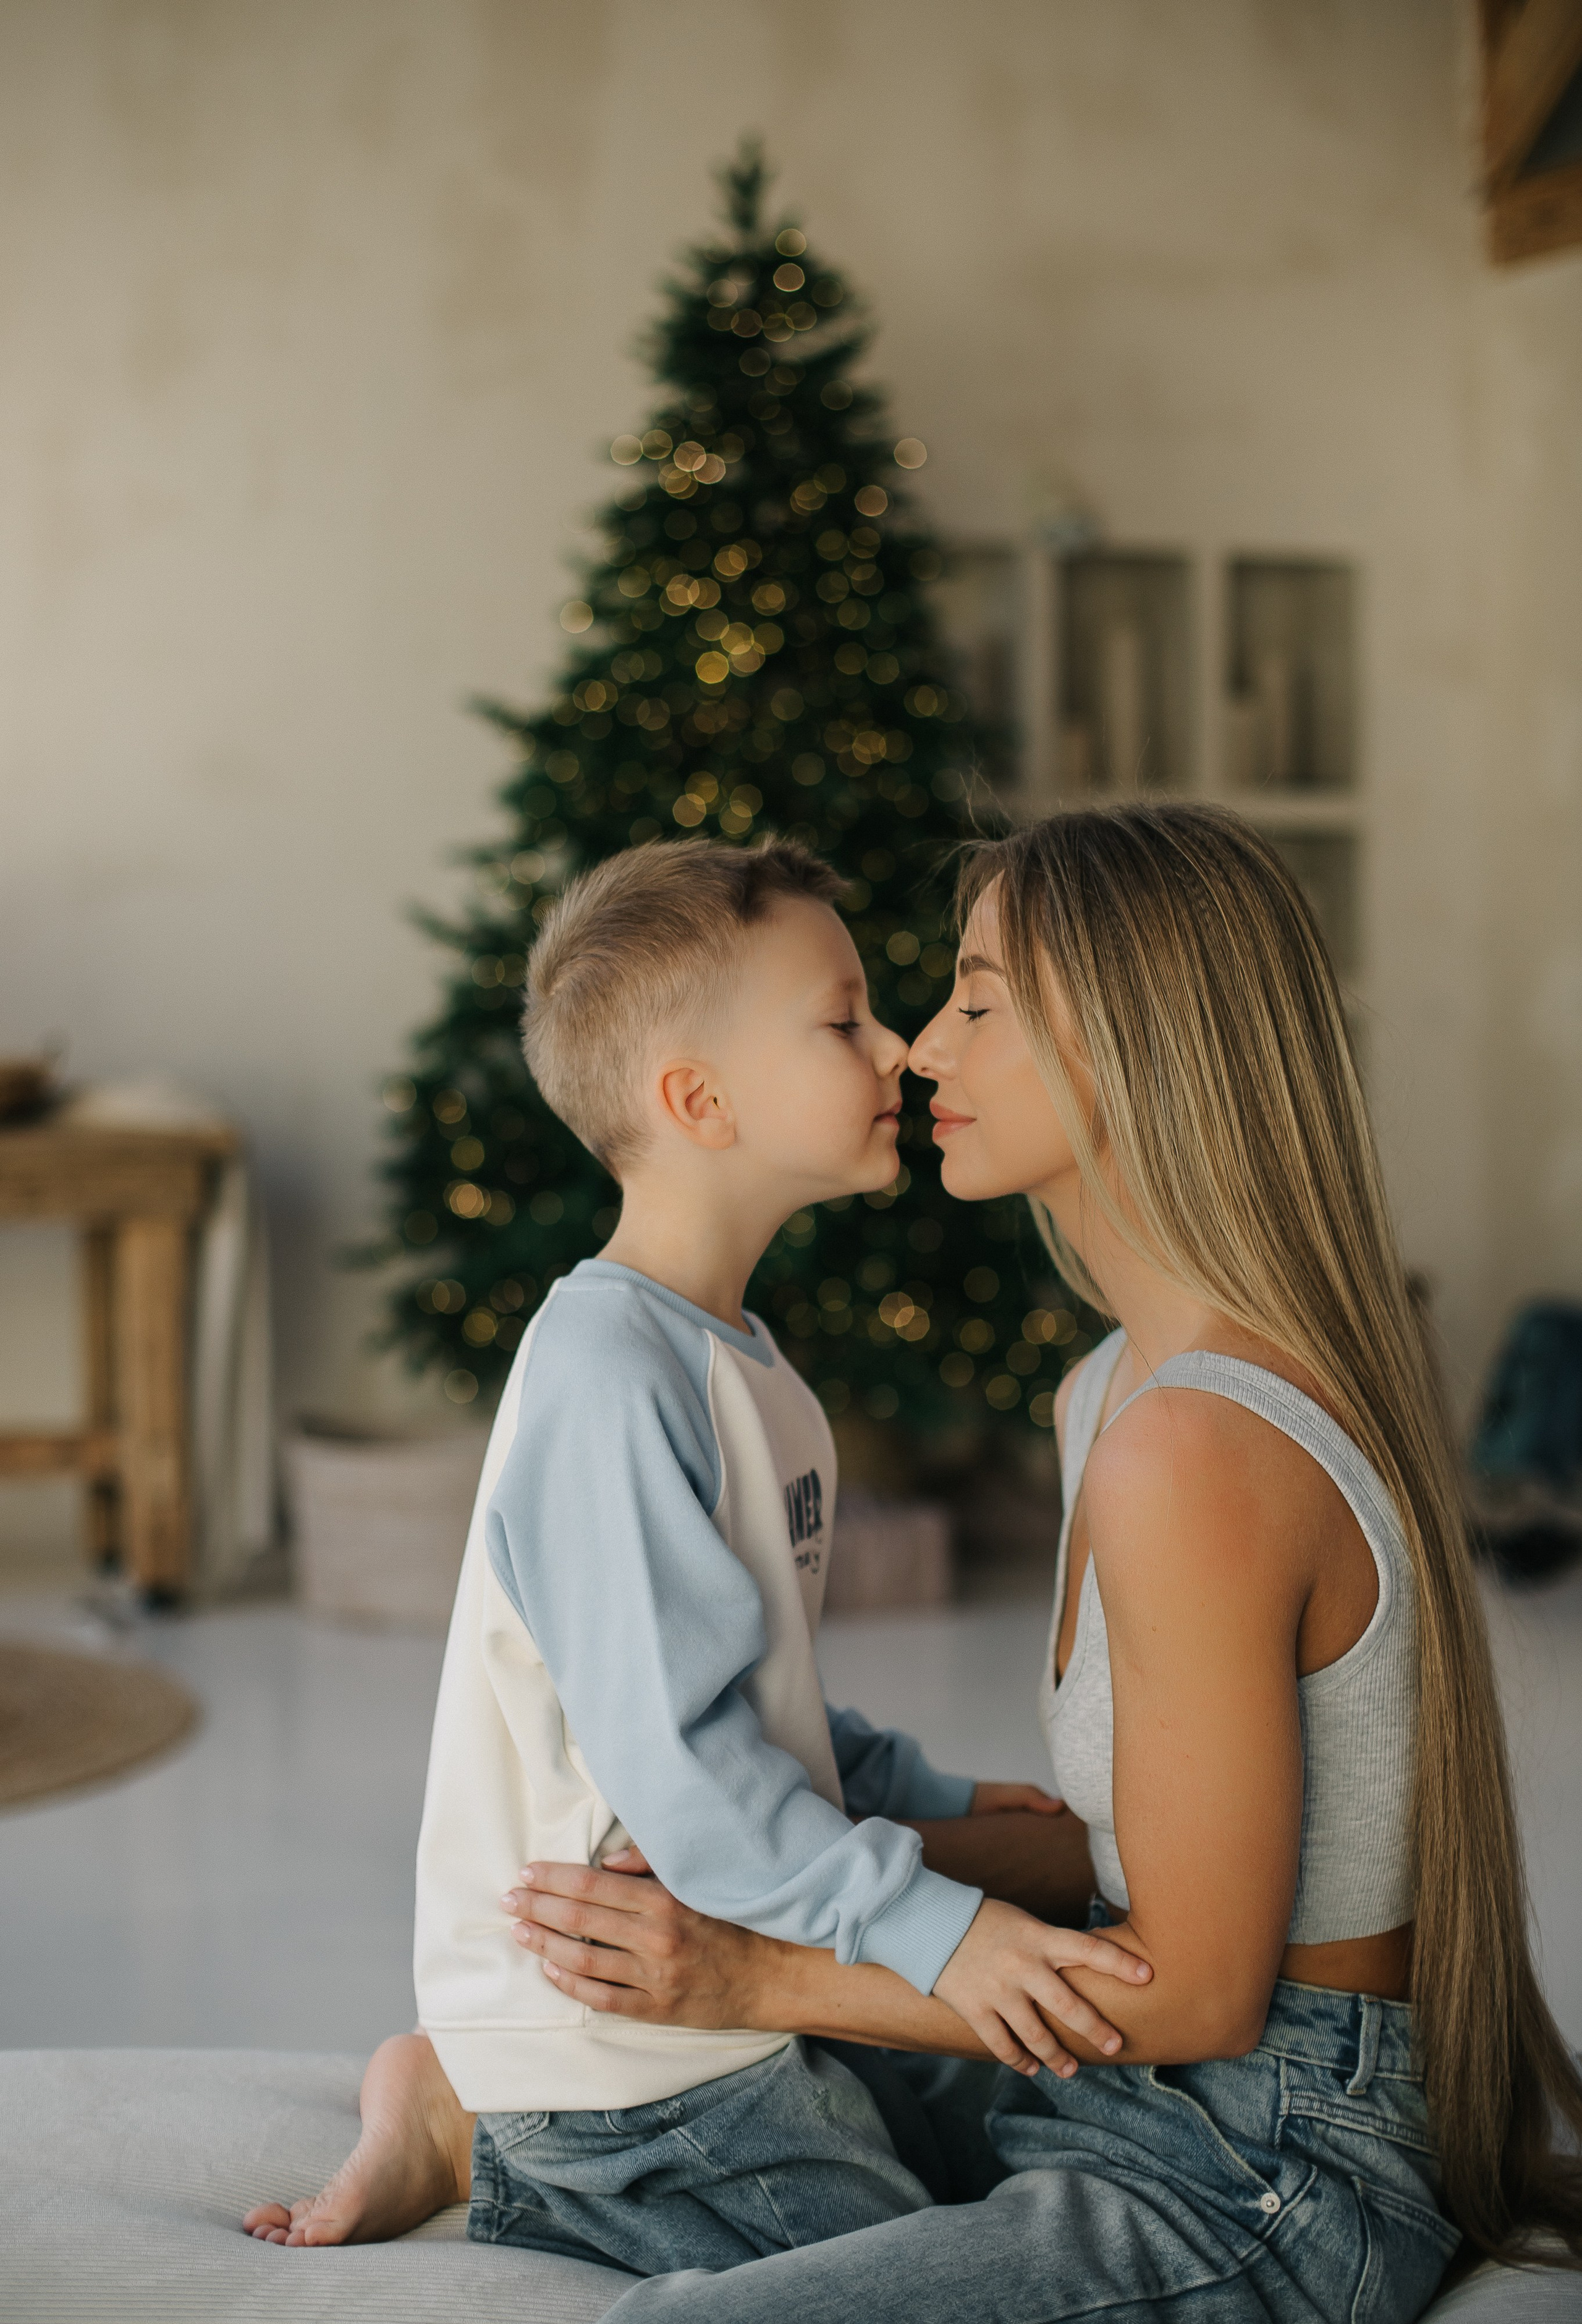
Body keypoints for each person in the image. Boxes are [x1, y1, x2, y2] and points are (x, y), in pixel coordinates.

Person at [492, 805, 1582, 2320]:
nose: (920, 1048)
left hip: (1263, 2161)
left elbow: (1201, 1991)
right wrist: (847, 1855)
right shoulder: (1108, 1390)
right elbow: (1151, 1866)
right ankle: (455, 2120)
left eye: (976, 1002)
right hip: (1141, 2082)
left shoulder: (1193, 1451)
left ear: (1131, 1049)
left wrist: (754, 1972)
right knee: (675, 2074)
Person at [243, 834, 1148, 2267]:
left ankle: (470, 2114)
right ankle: (485, 2131)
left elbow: (749, 1698)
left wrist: (925, 1793)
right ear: (698, 1100)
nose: (899, 1048)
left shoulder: (743, 1363)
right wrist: (940, 1931)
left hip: (726, 1981)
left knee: (1019, 2143)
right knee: (921, 2269)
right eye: (843, 1020)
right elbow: (681, 1772)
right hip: (620, 2046)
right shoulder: (607, 1371)